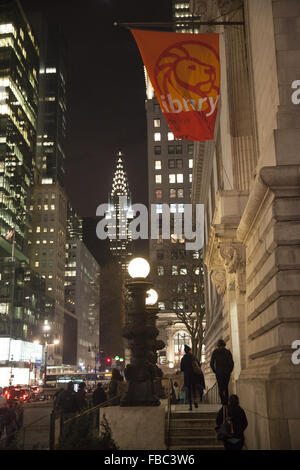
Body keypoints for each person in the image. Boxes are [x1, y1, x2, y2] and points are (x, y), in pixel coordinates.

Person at [210, 339, 234, 405]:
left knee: (220, 388)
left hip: (219, 372)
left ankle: (223, 402)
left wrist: (215, 371)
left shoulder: (215, 352)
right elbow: (231, 363)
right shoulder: (228, 352)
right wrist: (229, 371)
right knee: (225, 387)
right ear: (224, 344)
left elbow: (211, 363)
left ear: (218, 345)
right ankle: (226, 402)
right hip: (226, 373)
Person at [180, 345, 198, 410]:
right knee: (194, 389)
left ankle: (190, 406)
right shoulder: (193, 357)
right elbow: (197, 365)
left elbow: (181, 368)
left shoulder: (183, 358)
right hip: (193, 375)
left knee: (189, 391)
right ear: (189, 350)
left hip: (187, 376)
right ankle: (195, 400)